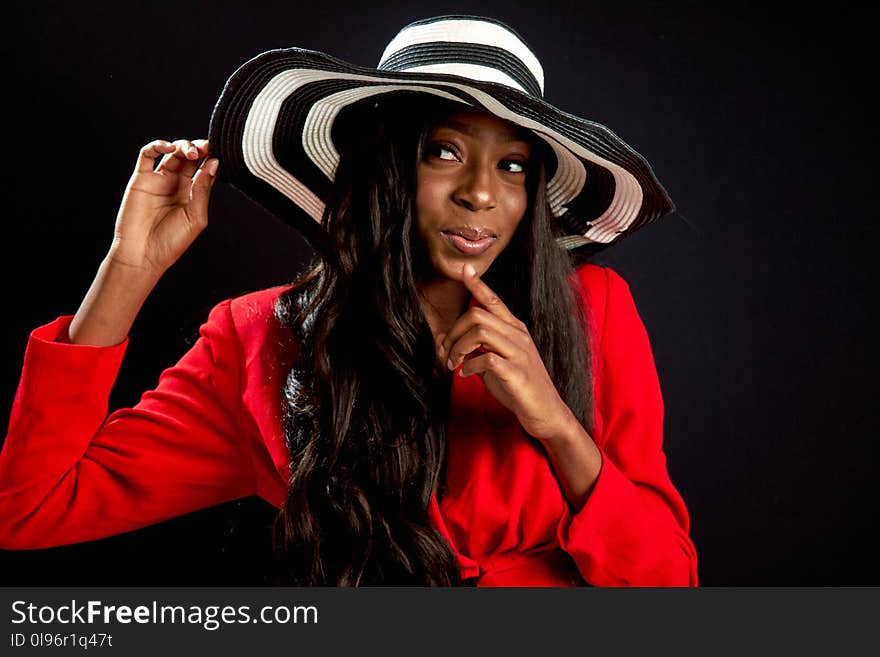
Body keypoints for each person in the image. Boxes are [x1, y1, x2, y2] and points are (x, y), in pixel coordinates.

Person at [0, 15, 698, 586]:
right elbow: (29, 506)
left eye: (513, 165)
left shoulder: (596, 311)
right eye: (443, 151)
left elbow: (670, 583)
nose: (481, 193)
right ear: (383, 166)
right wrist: (129, 267)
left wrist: (556, 424)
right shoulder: (257, 340)